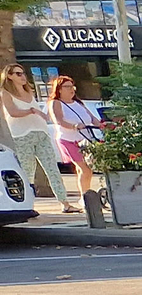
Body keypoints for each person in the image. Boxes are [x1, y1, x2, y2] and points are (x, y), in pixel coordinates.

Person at [48, 72, 103, 217]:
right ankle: (85, 198)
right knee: (85, 170)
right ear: (59, 89)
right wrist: (74, 126)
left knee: (84, 170)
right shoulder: (56, 103)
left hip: (84, 140)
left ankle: (84, 196)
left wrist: (102, 125)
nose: (71, 89)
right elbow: (58, 120)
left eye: (73, 86)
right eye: (67, 87)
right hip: (68, 140)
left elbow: (92, 118)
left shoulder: (78, 103)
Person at [2, 64, 58, 204]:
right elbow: (12, 112)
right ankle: (28, 202)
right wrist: (31, 111)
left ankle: (65, 202)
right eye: (18, 74)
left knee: (52, 168)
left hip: (41, 132)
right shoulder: (5, 93)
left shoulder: (30, 91)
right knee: (27, 171)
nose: (22, 76)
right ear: (9, 76)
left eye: (23, 73)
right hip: (22, 135)